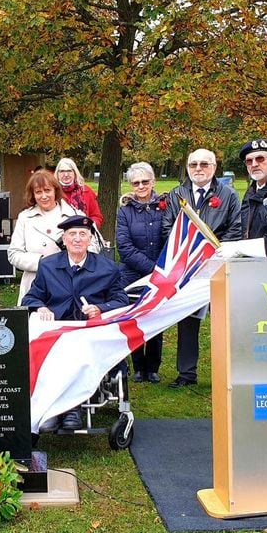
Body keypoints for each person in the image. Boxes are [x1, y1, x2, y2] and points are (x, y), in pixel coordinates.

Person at [22, 215, 129, 430]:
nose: (77, 239)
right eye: (72, 234)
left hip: (89, 332)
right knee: (44, 349)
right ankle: (49, 408)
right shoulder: (49, 266)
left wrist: (101, 308)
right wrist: (40, 307)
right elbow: (31, 297)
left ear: (90, 239)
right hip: (57, 329)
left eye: (83, 234)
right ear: (64, 238)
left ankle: (72, 408)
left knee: (77, 350)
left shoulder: (107, 268)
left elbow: (121, 300)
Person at [160, 148, 243, 388]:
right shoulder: (177, 194)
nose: (198, 169)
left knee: (223, 321)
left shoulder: (228, 195)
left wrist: (214, 253)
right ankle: (186, 374)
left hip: (218, 265)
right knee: (187, 321)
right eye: (193, 164)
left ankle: (227, 374)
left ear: (214, 167)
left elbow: (235, 228)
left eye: (204, 164)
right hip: (187, 268)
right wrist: (188, 255)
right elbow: (168, 228)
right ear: (187, 167)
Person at [116, 162, 168, 383]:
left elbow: (171, 236)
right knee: (134, 321)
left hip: (162, 274)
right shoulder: (125, 211)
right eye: (136, 183)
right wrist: (151, 268)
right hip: (133, 275)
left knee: (156, 320)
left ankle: (153, 367)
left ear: (153, 182)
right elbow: (124, 246)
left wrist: (163, 268)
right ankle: (137, 366)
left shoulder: (165, 206)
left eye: (145, 182)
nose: (141, 186)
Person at [8, 170, 93, 305]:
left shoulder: (75, 215)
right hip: (35, 286)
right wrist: (43, 263)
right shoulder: (25, 217)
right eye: (38, 192)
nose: (44, 196)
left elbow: (94, 247)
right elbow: (13, 254)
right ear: (33, 195)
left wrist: (72, 262)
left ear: (55, 191)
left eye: (47, 190)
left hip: (71, 285)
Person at [54, 158, 104, 228]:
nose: (66, 174)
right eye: (62, 171)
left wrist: (89, 227)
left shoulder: (86, 191)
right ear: (57, 174)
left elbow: (96, 216)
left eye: (69, 171)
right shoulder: (52, 192)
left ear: (75, 173)